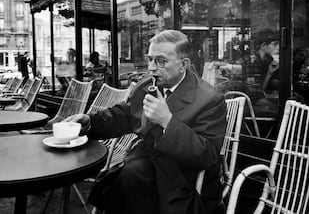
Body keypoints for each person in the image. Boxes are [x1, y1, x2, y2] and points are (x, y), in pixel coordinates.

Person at [63, 30, 227, 214]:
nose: (151, 68)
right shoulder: (149, 84)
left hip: (181, 179)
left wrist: (168, 121)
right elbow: (125, 114)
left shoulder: (209, 99)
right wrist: (91, 122)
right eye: (150, 59)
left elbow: (208, 154)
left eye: (161, 61)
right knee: (127, 179)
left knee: (128, 181)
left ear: (184, 65)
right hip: (141, 169)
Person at [242, 29, 279, 114]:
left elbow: (259, 90)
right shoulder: (252, 62)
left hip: (252, 104)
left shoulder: (263, 61)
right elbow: (254, 98)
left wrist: (269, 74)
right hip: (246, 108)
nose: (278, 47)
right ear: (263, 46)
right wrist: (279, 104)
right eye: (275, 44)